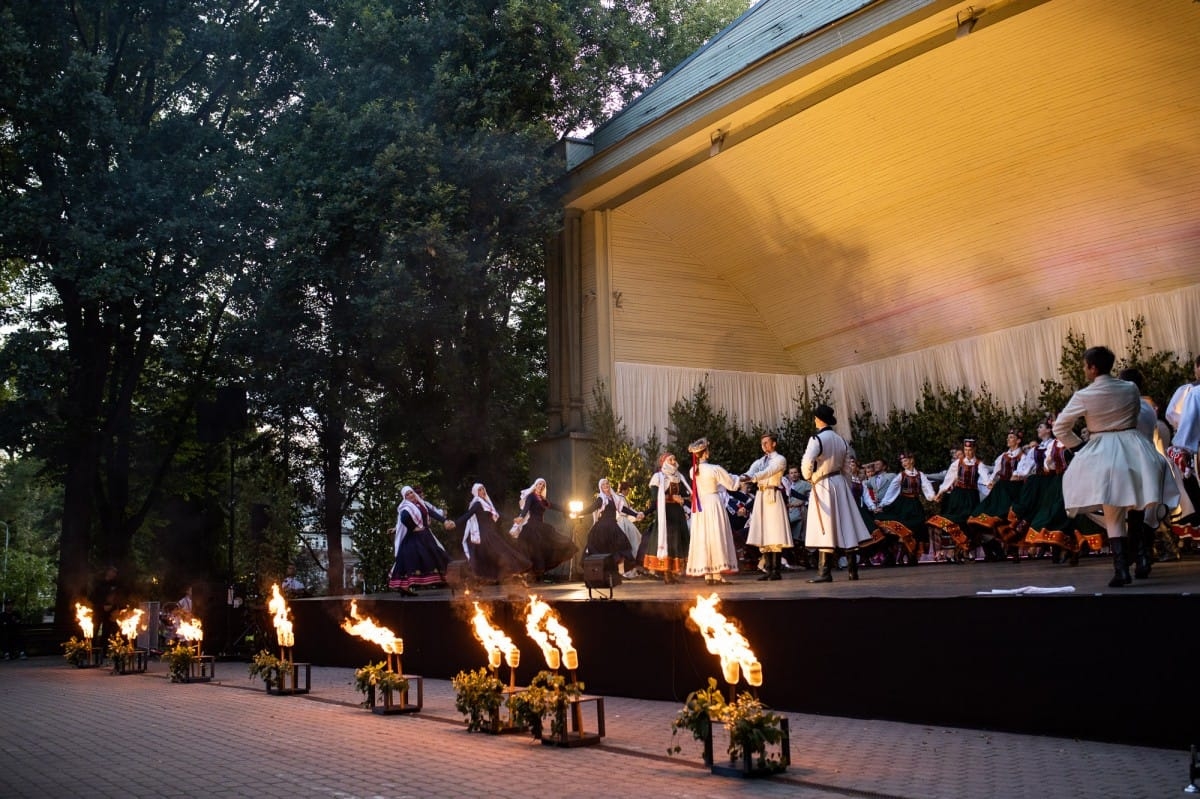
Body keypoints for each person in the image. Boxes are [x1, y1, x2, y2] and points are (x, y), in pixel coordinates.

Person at [1053, 346, 1177, 588]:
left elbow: (1060, 427)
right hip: (1135, 445)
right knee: (1138, 503)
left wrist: (1078, 448)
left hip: (1104, 448)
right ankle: (1141, 557)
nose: (1084, 369)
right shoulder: (1131, 388)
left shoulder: (1084, 395)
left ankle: (1121, 569)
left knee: (1112, 510)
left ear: (1093, 368)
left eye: (1085, 365)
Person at [801, 404, 873, 582]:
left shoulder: (816, 439)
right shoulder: (841, 440)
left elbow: (807, 461)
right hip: (839, 482)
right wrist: (846, 486)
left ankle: (824, 572)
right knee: (846, 525)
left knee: (824, 525)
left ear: (818, 419)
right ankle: (852, 571)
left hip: (823, 483)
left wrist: (808, 476)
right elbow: (848, 467)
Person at [683, 438, 741, 585]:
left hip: (700, 505)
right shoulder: (715, 469)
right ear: (705, 453)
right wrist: (740, 478)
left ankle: (708, 574)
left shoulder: (692, 471)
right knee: (716, 535)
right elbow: (731, 484)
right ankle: (716, 573)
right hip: (713, 503)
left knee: (704, 537)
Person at [968, 430, 1029, 562]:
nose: (1008, 439)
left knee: (1010, 518)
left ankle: (1013, 551)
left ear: (1018, 441)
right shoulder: (1003, 456)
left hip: (1015, 490)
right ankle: (996, 546)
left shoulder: (1023, 456)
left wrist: (1019, 474)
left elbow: (1025, 470)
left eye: (1011, 437)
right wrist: (990, 482)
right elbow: (996, 470)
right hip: (1002, 489)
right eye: (1008, 437)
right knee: (985, 514)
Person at [928, 439, 990, 562]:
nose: (968, 452)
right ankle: (960, 549)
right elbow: (948, 479)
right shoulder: (957, 463)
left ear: (974, 450)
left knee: (969, 522)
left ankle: (964, 549)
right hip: (958, 496)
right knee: (956, 521)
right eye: (966, 450)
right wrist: (940, 492)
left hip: (971, 496)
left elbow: (985, 475)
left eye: (970, 450)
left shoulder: (979, 464)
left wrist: (989, 483)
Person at [457, 483, 532, 584]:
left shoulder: (486, 503)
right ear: (475, 492)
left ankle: (502, 577)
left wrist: (512, 519)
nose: (482, 491)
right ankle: (479, 579)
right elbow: (468, 515)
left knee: (498, 553)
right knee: (497, 553)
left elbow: (498, 513)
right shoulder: (477, 503)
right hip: (483, 535)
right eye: (479, 490)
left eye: (483, 489)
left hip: (490, 533)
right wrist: (455, 523)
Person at [870, 452, 936, 566]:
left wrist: (932, 497)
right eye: (902, 462)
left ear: (911, 460)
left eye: (905, 461)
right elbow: (892, 490)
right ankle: (893, 554)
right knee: (899, 527)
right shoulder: (901, 476)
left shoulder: (920, 475)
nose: (904, 463)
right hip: (903, 504)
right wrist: (883, 504)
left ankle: (912, 555)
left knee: (917, 527)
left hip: (915, 505)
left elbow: (927, 487)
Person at [741, 433, 791, 581]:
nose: (764, 445)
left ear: (774, 443)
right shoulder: (760, 461)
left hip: (772, 495)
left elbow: (768, 471)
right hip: (761, 496)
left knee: (774, 531)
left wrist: (753, 478)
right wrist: (738, 478)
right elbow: (750, 472)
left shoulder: (779, 459)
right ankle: (768, 569)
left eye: (767, 442)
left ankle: (776, 570)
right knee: (764, 531)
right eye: (762, 443)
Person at [390, 485, 455, 596]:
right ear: (404, 497)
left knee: (438, 555)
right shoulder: (406, 507)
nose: (410, 495)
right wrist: (413, 527)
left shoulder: (421, 504)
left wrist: (444, 521)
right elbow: (404, 518)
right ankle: (404, 587)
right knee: (411, 559)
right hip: (415, 536)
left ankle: (453, 581)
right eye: (407, 494)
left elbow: (432, 513)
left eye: (411, 492)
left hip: (426, 536)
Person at [512, 478, 577, 581]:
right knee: (532, 551)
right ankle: (525, 575)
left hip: (540, 526)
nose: (541, 486)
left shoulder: (542, 499)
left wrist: (568, 510)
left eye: (543, 485)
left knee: (550, 545)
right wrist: (521, 517)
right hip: (532, 526)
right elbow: (526, 508)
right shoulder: (531, 496)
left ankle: (533, 575)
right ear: (535, 485)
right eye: (539, 484)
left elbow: (554, 506)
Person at [641, 453, 691, 583]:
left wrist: (686, 498)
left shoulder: (678, 476)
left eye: (675, 459)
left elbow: (682, 494)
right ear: (664, 462)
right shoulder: (658, 477)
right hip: (666, 514)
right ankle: (666, 574)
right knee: (667, 541)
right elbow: (655, 497)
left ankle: (674, 573)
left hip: (678, 513)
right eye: (671, 459)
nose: (674, 461)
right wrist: (671, 497)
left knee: (677, 542)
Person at [581, 478, 643, 575]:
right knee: (603, 551)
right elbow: (591, 508)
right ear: (601, 487)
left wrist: (635, 514)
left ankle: (620, 572)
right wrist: (580, 513)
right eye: (603, 484)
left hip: (613, 526)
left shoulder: (614, 498)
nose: (606, 485)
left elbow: (623, 509)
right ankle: (603, 573)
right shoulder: (601, 499)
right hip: (603, 527)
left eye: (607, 483)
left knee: (623, 546)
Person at [89, 566, 122, 645]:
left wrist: (115, 607)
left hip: (110, 611)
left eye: (115, 573)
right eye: (112, 572)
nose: (114, 574)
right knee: (95, 628)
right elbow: (94, 597)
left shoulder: (116, 584)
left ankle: (104, 649)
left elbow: (118, 597)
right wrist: (102, 605)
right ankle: (91, 647)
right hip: (98, 610)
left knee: (107, 630)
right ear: (108, 572)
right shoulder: (99, 583)